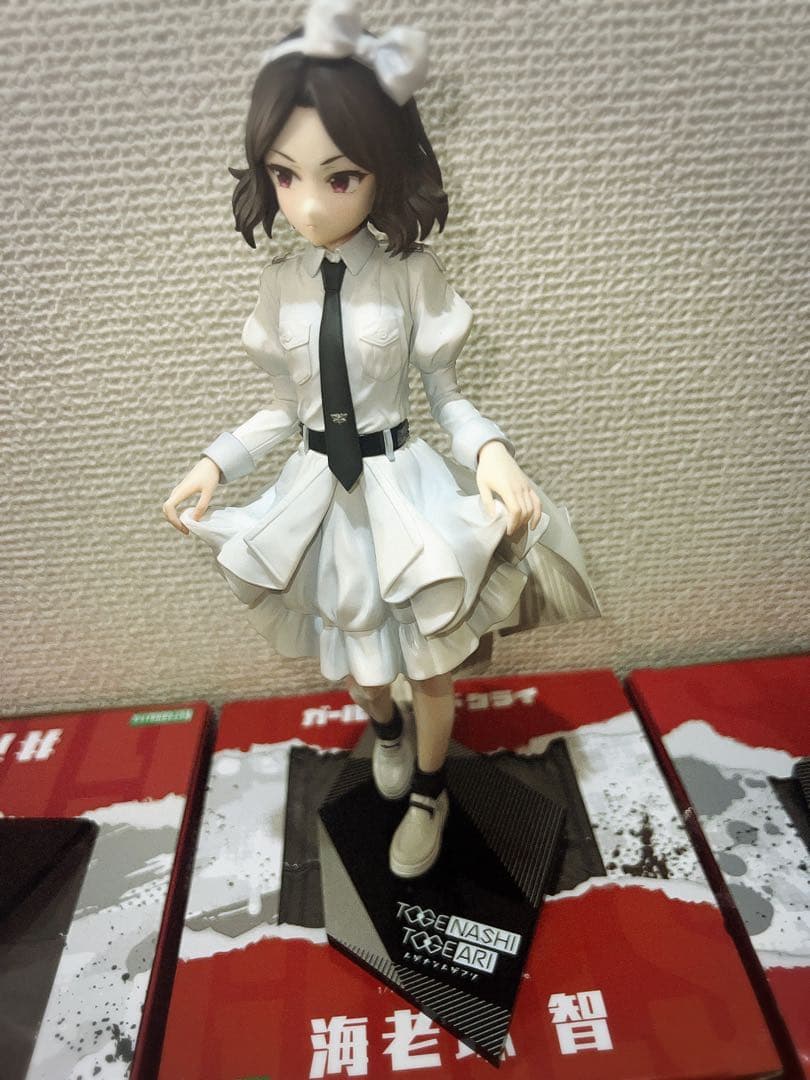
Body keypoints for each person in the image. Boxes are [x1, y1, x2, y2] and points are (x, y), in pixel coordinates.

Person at [163, 0, 600, 879]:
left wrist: (493, 453)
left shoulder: (410, 274)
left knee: (431, 662)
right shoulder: (281, 285)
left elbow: (446, 392)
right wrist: (217, 460)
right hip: (321, 496)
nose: (307, 203)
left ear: (383, 170)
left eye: (340, 176)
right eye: (285, 175)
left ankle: (432, 792)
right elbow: (282, 408)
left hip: (400, 487)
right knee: (359, 658)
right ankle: (386, 730)